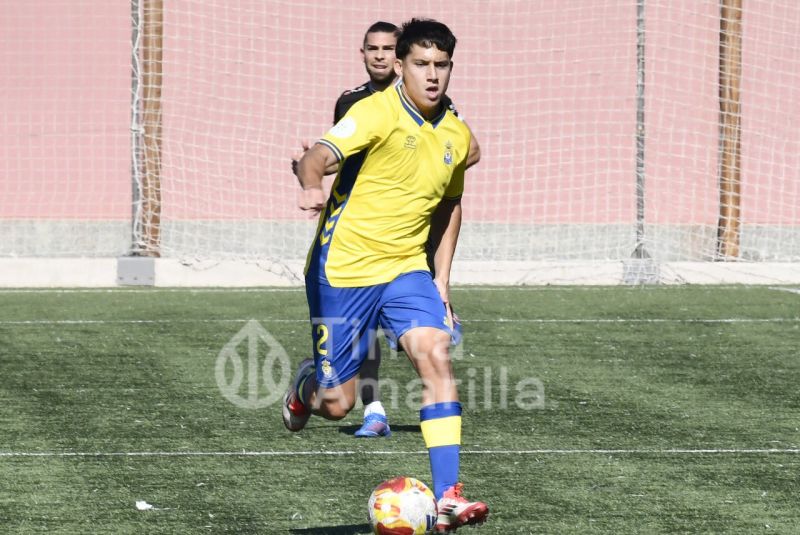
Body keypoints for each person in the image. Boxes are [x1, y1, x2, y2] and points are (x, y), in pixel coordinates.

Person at [284, 18, 489, 532]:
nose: (432, 75)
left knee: (435, 354)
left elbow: (450, 208)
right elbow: (318, 157)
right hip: (344, 269)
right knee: (338, 404)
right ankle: (306, 386)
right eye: (421, 64)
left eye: (441, 65)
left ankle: (448, 496)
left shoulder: (456, 135)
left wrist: (441, 283)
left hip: (405, 269)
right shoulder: (374, 112)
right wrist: (311, 184)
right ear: (400, 66)